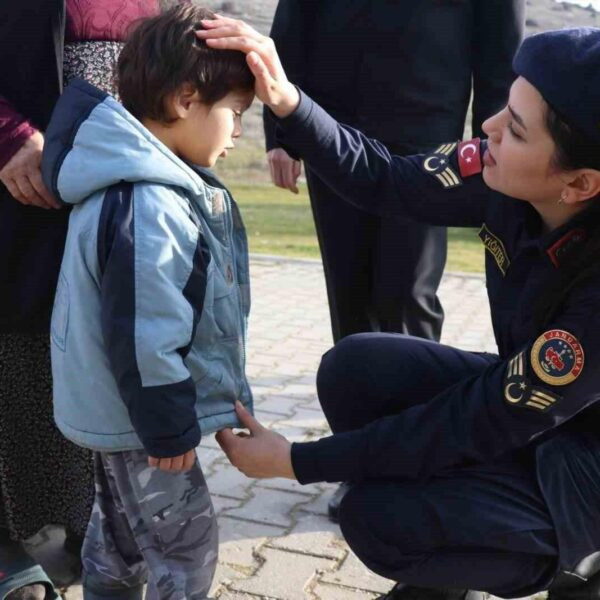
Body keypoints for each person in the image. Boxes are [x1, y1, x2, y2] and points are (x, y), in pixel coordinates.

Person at [197, 18, 600, 600]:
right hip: (535, 412)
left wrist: (299, 461)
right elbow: (385, 178)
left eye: (514, 129)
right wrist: (288, 101)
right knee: (356, 369)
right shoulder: (503, 172)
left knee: (378, 517)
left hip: (582, 459)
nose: (486, 128)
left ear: (582, 183)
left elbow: (476, 419)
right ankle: (449, 566)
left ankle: (577, 561)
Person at [40, 6, 255, 599]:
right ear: (187, 98)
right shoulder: (152, 204)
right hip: (142, 423)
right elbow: (146, 332)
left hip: (121, 415)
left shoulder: (130, 180)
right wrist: (168, 429)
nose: (238, 132)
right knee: (186, 549)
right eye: (234, 114)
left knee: (119, 540)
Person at [0, 1, 158, 598]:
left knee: (106, 349)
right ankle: (11, 544)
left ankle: (91, 535)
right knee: (20, 352)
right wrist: (9, 137)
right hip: (21, 185)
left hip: (116, 195)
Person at [264, 0, 524, 344]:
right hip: (331, 134)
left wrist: (493, 153)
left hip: (427, 143)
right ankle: (355, 393)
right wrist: (282, 133)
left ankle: (415, 396)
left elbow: (500, 56)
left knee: (408, 295)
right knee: (348, 291)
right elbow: (290, 29)